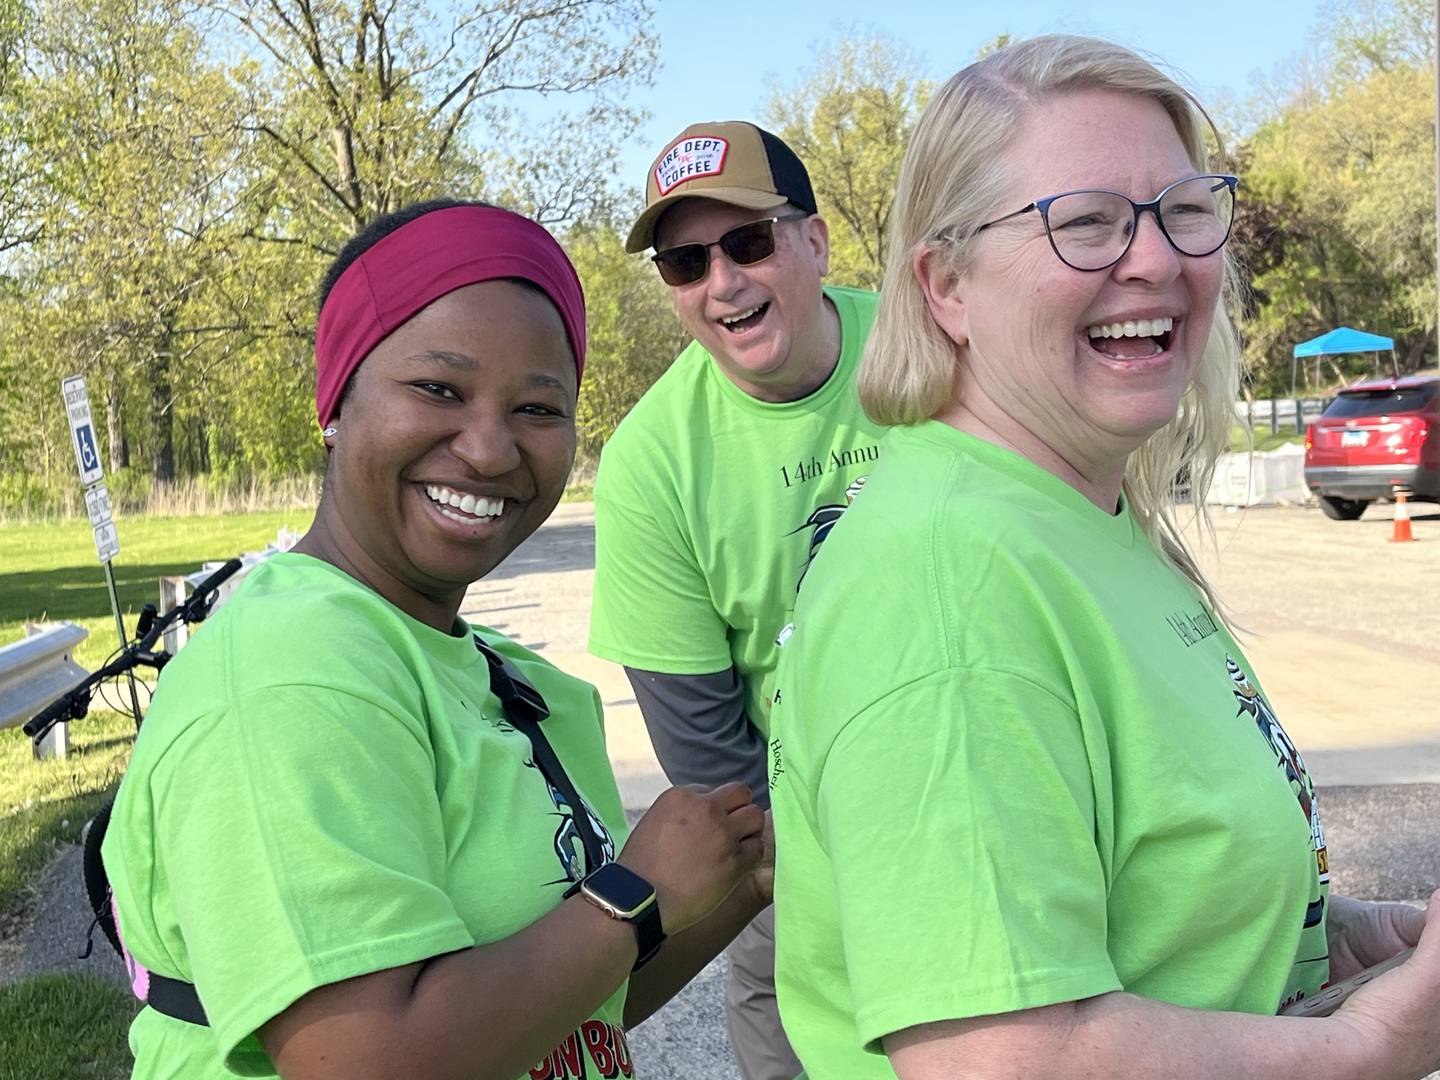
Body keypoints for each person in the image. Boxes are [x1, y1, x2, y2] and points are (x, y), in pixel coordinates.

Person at [768, 35, 1440, 1080]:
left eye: (1183, 209)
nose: (1157, 258)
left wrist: (1327, 934)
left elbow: (1128, 884)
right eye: (1084, 222)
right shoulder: (947, 581)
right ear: (947, 283)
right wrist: (1369, 1049)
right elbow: (1003, 1057)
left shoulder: (1074, 514)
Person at [101, 199, 775, 1080]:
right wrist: (633, 896)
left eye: (539, 407)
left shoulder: (517, 683)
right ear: (334, 398)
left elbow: (571, 998)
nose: (492, 449)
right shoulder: (289, 675)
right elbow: (362, 1060)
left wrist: (749, 874)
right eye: (438, 389)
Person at [588, 120, 885, 1080]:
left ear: (817, 240)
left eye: (749, 241)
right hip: (801, 850)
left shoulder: (929, 351)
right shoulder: (652, 464)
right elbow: (715, 764)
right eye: (685, 261)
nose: (722, 282)